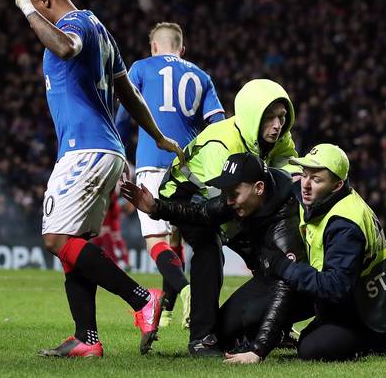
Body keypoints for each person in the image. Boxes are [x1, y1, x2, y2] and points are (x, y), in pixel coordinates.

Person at [6, 0, 184, 358]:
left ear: (45, 0)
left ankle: (141, 298)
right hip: (106, 150)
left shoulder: (74, 24)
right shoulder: (101, 30)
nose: (37, 20)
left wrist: (24, 10)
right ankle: (86, 338)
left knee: (55, 240)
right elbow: (130, 93)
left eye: (38, 9)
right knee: (75, 243)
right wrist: (155, 134)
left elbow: (66, 47)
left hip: (83, 149)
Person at [158, 78, 300, 356]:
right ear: (251, 117)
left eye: (281, 117)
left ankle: (275, 325)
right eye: (268, 117)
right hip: (184, 195)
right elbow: (220, 206)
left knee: (267, 250)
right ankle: (201, 338)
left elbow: (289, 171)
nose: (277, 125)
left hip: (230, 196)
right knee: (209, 245)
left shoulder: (279, 137)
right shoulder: (221, 144)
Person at [122, 152, 306, 360]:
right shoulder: (245, 195)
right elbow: (203, 213)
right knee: (222, 333)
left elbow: (287, 286)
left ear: (259, 188)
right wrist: (156, 208)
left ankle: (287, 331)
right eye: (226, 193)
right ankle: (273, 331)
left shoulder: (285, 223)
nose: (228, 201)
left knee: (259, 316)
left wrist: (258, 350)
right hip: (269, 275)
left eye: (233, 194)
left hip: (302, 286)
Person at [258, 144, 386, 361]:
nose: (305, 185)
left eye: (316, 180)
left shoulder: (345, 225)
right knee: (310, 336)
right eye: (305, 174)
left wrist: (283, 266)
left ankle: (384, 342)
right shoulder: (320, 196)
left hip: (379, 316)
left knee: (312, 349)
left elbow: (334, 287)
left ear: (337, 186)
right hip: (370, 302)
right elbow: (287, 181)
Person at [115, 22, 225, 335]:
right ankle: (167, 311)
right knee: (176, 237)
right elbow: (217, 124)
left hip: (152, 162)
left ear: (153, 47)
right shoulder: (201, 76)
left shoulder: (139, 68)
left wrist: (120, 153)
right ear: (182, 49)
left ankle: (186, 291)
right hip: (188, 168)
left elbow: (125, 115)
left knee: (156, 240)